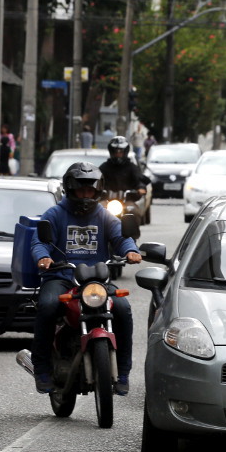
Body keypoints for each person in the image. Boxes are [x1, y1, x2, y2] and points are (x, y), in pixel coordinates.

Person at [30, 162, 142, 395]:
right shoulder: (55, 214)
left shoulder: (104, 216)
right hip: (61, 277)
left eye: (89, 190)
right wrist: (43, 257)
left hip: (96, 281)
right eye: (80, 190)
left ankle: (122, 372)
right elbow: (40, 241)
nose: (85, 195)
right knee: (48, 305)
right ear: (70, 189)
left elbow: (121, 237)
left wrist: (130, 250)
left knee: (122, 308)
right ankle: (41, 368)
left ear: (97, 190)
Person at [98, 136, 149, 202]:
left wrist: (141, 188)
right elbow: (96, 180)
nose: (118, 154)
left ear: (125, 152)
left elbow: (139, 180)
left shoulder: (132, 167)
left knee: (134, 210)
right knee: (97, 210)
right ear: (111, 152)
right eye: (115, 152)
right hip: (106, 201)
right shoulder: (104, 167)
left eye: (120, 152)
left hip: (127, 201)